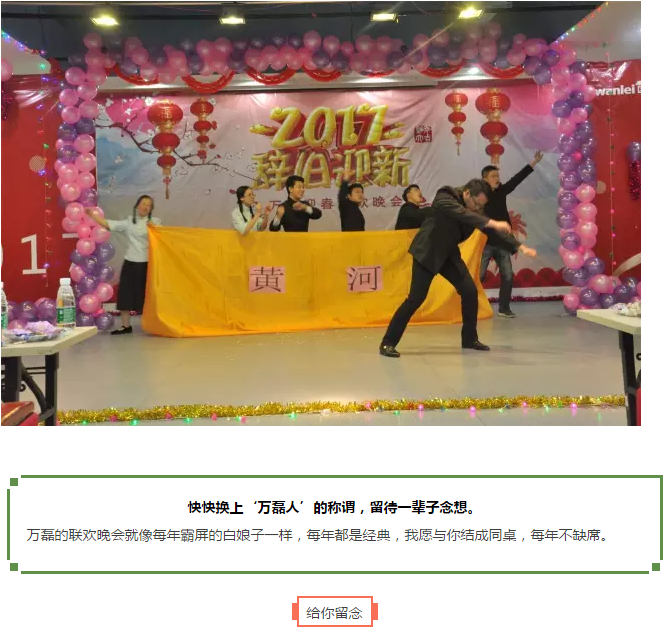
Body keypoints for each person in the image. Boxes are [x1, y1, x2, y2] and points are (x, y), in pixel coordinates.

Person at [379, 179, 537, 358]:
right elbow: (462, 214)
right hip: (428, 252)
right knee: (416, 298)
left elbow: (491, 231)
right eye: (476, 204)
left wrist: (519, 247)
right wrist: (492, 222)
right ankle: (388, 342)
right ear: (467, 193)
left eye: (481, 206)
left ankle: (469, 339)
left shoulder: (475, 210)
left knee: (470, 291)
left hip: (449, 255)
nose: (478, 208)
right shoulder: (445, 196)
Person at [85, 194, 160, 336]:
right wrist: (93, 215)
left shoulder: (155, 222)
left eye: (148, 205)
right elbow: (108, 224)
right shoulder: (129, 222)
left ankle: (155, 325)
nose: (145, 206)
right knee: (125, 294)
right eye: (143, 203)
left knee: (150, 295)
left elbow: (164, 237)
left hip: (148, 264)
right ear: (137, 206)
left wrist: (155, 229)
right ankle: (126, 326)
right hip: (130, 262)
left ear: (151, 209)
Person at [480, 151, 543, 318]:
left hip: (502, 241)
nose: (497, 178)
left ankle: (504, 308)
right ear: (485, 179)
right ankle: (471, 307)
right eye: (493, 176)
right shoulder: (479, 196)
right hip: (485, 242)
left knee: (507, 275)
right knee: (478, 276)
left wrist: (534, 162)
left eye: (497, 175)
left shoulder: (501, 191)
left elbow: (517, 179)